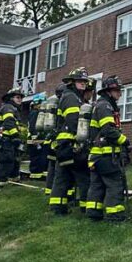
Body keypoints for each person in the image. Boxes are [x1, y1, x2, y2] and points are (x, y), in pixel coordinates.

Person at [48, 68, 91, 216]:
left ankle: (57, 208)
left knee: (62, 177)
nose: (83, 84)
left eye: (85, 81)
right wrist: (80, 141)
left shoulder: (71, 96)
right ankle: (86, 208)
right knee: (83, 175)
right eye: (80, 81)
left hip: (63, 145)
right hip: (71, 144)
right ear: (72, 82)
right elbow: (73, 121)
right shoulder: (72, 98)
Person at [86, 76, 128, 223]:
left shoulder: (102, 104)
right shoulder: (105, 106)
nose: (120, 94)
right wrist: (125, 141)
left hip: (96, 156)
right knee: (114, 185)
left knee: (97, 185)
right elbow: (108, 130)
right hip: (105, 155)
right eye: (117, 91)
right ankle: (115, 215)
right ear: (108, 92)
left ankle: (94, 213)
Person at [0, 87, 24, 190]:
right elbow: (9, 122)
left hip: (11, 140)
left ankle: (15, 181)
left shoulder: (13, 108)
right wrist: (15, 136)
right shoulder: (8, 108)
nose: (20, 100)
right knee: (6, 161)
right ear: (11, 98)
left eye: (21, 98)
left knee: (15, 160)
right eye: (17, 97)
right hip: (7, 140)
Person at [43, 83, 66, 203]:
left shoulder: (54, 104)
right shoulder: (61, 105)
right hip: (57, 140)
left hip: (51, 140)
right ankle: (53, 191)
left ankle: (49, 189)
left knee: (52, 166)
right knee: (57, 168)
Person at [26, 94, 49, 181]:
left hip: (38, 139)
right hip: (34, 140)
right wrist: (35, 138)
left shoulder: (38, 113)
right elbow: (33, 127)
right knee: (36, 158)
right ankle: (35, 175)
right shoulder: (34, 113)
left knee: (41, 158)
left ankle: (40, 175)